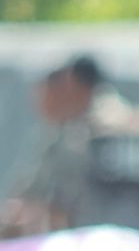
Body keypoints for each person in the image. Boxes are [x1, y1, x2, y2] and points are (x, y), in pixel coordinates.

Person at [6, 56, 102, 233]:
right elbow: (32, 186)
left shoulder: (87, 132)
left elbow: (65, 198)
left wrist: (34, 212)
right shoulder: (56, 133)